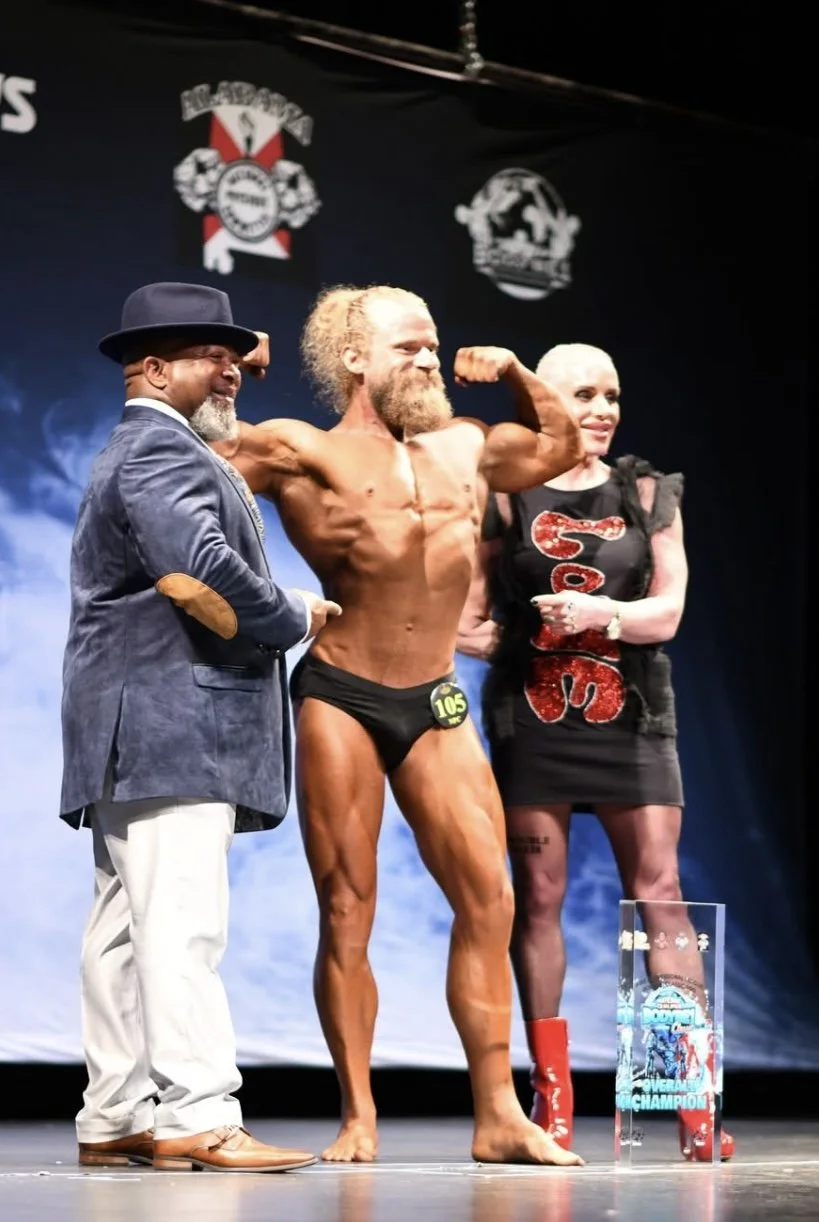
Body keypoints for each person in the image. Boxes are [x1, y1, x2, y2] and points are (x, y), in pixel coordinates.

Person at [212, 284, 585, 1166]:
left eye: (433, 343)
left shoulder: (469, 445)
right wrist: (229, 375)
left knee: (490, 901)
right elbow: (188, 468)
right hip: (341, 691)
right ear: (353, 358)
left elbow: (560, 446)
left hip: (436, 696)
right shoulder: (298, 450)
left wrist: (521, 376)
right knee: (348, 907)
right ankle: (359, 1116)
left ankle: (498, 1115)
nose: (427, 359)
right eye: (408, 347)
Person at [59, 282, 339, 1173]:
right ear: (151, 368)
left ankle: (115, 1114)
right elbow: (204, 565)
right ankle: (199, 1112)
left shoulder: (147, 444)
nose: (233, 372)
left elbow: (220, 383)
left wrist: (227, 357)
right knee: (180, 927)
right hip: (171, 720)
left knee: (125, 930)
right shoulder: (162, 454)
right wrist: (295, 613)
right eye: (209, 358)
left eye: (234, 356)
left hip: (131, 725)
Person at [456, 342, 735, 1162]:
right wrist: (522, 635)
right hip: (534, 717)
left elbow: (670, 609)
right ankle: (550, 1102)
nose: (605, 408)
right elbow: (469, 622)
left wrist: (600, 620)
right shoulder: (503, 495)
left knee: (662, 889)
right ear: (545, 398)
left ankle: (693, 1102)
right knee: (535, 899)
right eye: (585, 393)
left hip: (634, 718)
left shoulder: (648, 492)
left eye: (613, 393)